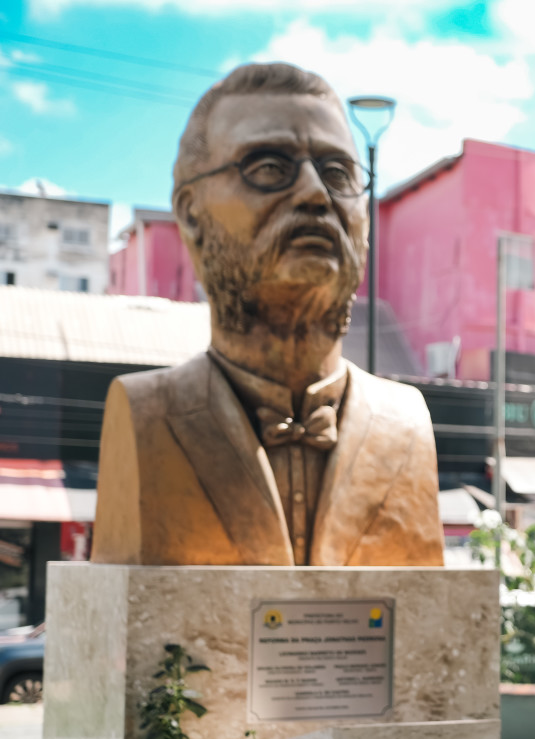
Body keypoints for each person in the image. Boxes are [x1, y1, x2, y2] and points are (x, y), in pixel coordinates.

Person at [90, 63, 443, 567]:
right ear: (191, 212)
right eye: (270, 168)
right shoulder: (146, 414)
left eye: (337, 173)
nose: (315, 194)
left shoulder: (407, 423)